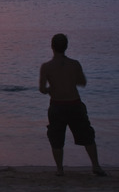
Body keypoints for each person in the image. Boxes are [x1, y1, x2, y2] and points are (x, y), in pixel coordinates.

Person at [39, 33, 106, 177]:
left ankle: (60, 169)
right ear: (66, 47)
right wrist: (69, 81)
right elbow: (82, 82)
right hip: (74, 104)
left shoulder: (46, 67)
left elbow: (42, 89)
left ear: (52, 47)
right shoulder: (74, 64)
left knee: (56, 138)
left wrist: (53, 88)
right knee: (87, 136)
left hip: (57, 106)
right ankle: (96, 166)